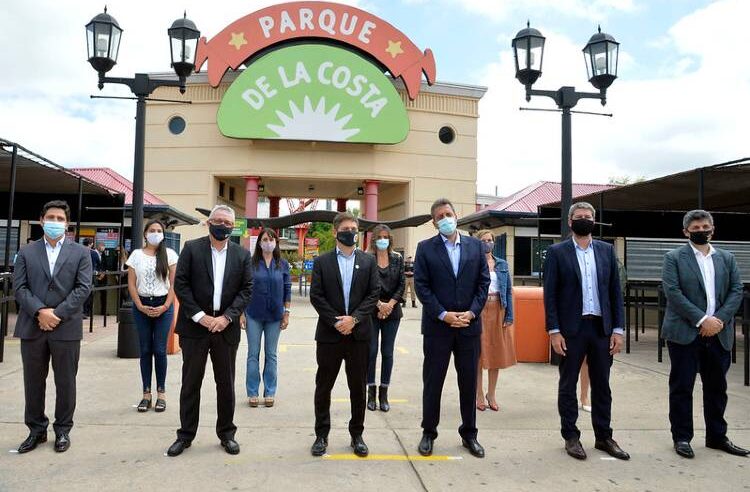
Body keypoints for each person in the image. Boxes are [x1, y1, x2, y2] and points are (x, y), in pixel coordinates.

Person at [543, 202, 629, 461]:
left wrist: (618, 329)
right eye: (579, 217)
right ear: (570, 222)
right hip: (571, 329)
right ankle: (571, 436)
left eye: (588, 217)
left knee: (602, 384)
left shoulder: (606, 250)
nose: (584, 220)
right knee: (567, 383)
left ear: (594, 220)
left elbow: (615, 292)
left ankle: (604, 436)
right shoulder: (557, 252)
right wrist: (554, 330)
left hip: (601, 328)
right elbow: (551, 295)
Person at [166, 205, 253, 457]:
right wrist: (200, 316)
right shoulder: (192, 249)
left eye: (228, 223)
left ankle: (227, 434)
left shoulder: (241, 255)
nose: (222, 226)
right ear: (209, 223)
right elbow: (180, 284)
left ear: (233, 226)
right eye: (218, 221)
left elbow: (246, 289)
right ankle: (185, 435)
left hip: (226, 329)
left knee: (225, 384)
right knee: (190, 383)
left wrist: (227, 317)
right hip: (196, 328)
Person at [661, 209, 747, 459]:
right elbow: (673, 292)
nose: (701, 231)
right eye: (695, 228)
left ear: (713, 229)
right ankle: (682, 438)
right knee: (682, 387)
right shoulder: (674, 257)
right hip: (685, 333)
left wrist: (718, 320)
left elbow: (736, 289)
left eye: (705, 227)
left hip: (719, 333)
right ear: (686, 232)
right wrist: (702, 319)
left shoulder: (727, 258)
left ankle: (717, 437)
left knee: (717, 388)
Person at [13, 200, 92, 453]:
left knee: (66, 382)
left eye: (60, 218)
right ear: (41, 220)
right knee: (33, 382)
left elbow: (83, 288)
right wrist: (39, 311)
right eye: (51, 217)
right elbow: (19, 287)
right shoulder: (26, 252)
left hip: (66, 326)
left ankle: (62, 431)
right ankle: (36, 431)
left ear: (67, 224)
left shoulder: (81, 253)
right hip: (32, 326)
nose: (55, 222)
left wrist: (56, 314)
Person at [414, 198, 490, 459]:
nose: (445, 218)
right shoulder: (425, 249)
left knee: (468, 383)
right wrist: (444, 315)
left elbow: (483, 283)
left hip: (468, 326)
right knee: (433, 382)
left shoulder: (476, 247)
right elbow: (422, 287)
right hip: (438, 328)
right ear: (435, 223)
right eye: (439, 216)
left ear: (456, 216)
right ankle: (428, 432)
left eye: (448, 213)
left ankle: (469, 434)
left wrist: (471, 312)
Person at [309, 211, 379, 458]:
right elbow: (316, 296)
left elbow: (373, 294)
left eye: (355, 229)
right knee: (324, 386)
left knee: (357, 387)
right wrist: (336, 321)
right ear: (335, 231)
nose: (351, 233)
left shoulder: (368, 262)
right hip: (330, 335)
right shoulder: (322, 262)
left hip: (359, 335)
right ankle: (321, 435)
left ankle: (357, 435)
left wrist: (355, 319)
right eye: (347, 228)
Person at [126, 220, 179, 413]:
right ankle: (146, 393)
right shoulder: (136, 255)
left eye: (159, 231)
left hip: (163, 305)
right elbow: (131, 283)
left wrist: (166, 306)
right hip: (141, 306)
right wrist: (139, 305)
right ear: (145, 234)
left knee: (159, 349)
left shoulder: (170, 255)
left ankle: (161, 393)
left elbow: (174, 284)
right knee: (146, 349)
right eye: (152, 230)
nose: (155, 233)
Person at [244, 228, 291, 408]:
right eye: (264, 239)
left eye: (271, 239)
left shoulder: (283, 264)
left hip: (275, 316)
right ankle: (253, 392)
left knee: (271, 355)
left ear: (276, 242)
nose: (268, 242)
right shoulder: (250, 263)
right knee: (253, 354)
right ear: (259, 242)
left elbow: (287, 290)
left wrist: (287, 313)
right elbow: (244, 288)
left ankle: (270, 391)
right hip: (253, 314)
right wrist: (241, 313)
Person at [475, 230, 514, 413]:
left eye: (490, 240)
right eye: (483, 240)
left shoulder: (502, 264)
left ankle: (492, 394)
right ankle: (479, 394)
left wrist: (509, 316)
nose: (487, 243)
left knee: (496, 354)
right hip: (479, 309)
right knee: (479, 354)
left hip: (499, 307)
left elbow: (508, 292)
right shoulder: (473, 263)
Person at [367, 224, 405, 413]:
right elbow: (365, 286)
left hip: (393, 311)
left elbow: (401, 285)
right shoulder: (367, 259)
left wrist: (390, 304)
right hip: (371, 312)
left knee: (387, 352)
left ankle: (384, 393)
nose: (383, 240)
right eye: (379, 237)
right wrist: (378, 305)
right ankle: (371, 392)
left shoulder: (397, 259)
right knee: (371, 351)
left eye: (386, 237)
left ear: (390, 239)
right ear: (374, 240)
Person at [82, 238, 101, 319]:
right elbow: (99, 264)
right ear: (91, 244)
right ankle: (86, 312)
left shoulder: (79, 251)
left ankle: (80, 311)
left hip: (80, 276)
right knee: (89, 295)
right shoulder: (93, 253)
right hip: (91, 276)